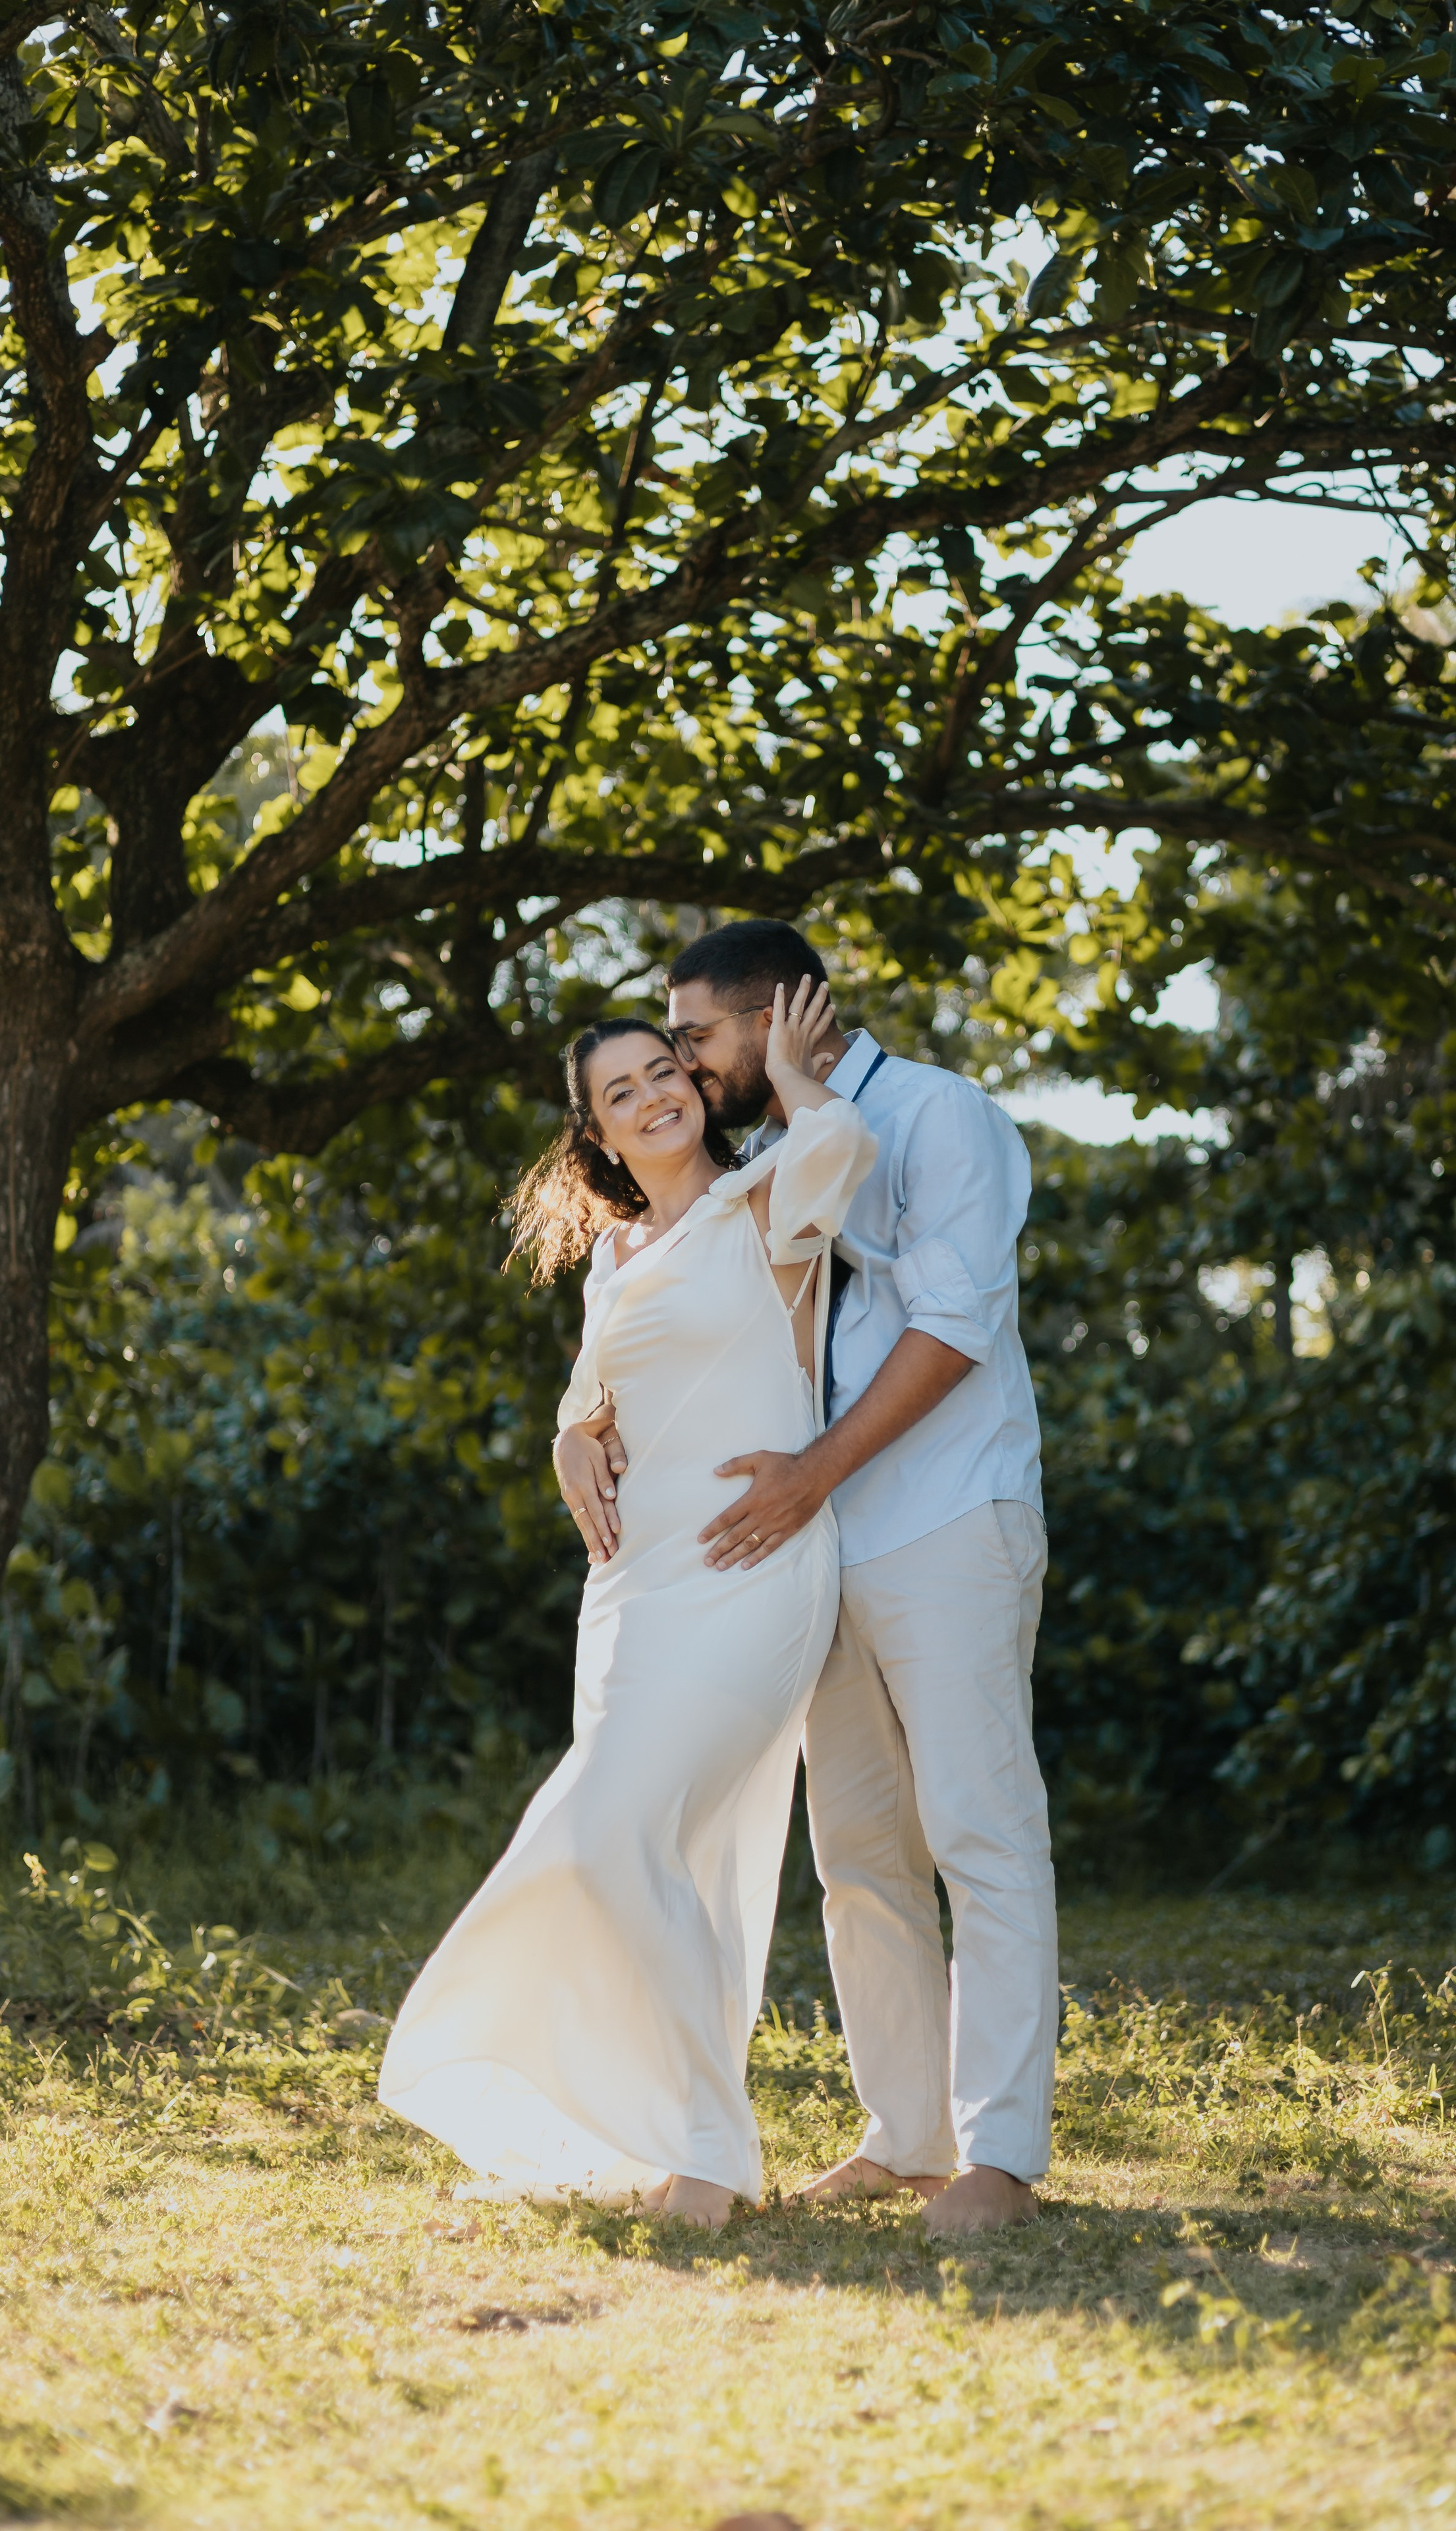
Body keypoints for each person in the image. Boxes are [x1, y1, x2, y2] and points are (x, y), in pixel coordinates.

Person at [565, 920, 1056, 2237]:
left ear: (785, 1012)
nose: (683, 1061)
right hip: (815, 1548)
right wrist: (587, 1422)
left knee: (977, 1828)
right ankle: (906, 2135)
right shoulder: (778, 1152)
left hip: (947, 1517)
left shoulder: (944, 1117)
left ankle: (1000, 2153)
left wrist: (810, 1470)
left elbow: (956, 1325)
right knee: (856, 1854)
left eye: (699, 1036)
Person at [378, 982, 874, 2228]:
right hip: (633, 1592)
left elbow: (843, 1150)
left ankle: (711, 2152)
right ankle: (665, 2132)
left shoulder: (763, 1203)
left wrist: (801, 1083)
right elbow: (597, 1393)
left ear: (698, 1086)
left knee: (609, 1834)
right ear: (595, 1132)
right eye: (621, 1091)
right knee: (663, 1858)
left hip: (753, 1568)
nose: (654, 1094)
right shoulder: (612, 1253)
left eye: (667, 1070)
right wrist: (564, 1439)